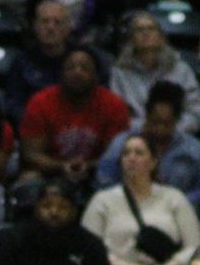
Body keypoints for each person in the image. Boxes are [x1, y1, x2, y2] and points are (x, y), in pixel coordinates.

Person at [83, 134, 200, 265]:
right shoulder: (101, 200)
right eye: (126, 153)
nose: (131, 158)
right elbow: (89, 248)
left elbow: (194, 246)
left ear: (153, 162)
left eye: (139, 153)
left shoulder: (174, 197)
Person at [18, 47, 131, 191]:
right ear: (61, 74)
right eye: (70, 67)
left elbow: (116, 155)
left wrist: (88, 165)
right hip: (50, 173)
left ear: (96, 76)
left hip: (99, 173)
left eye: (84, 68)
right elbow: (31, 154)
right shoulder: (40, 102)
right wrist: (62, 166)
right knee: (28, 181)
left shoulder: (114, 104)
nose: (77, 72)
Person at [97, 82, 200, 210]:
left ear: (177, 121)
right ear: (146, 116)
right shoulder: (122, 144)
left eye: (166, 124)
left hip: (176, 214)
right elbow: (104, 181)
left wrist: (178, 202)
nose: (160, 129)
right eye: (155, 122)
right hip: (127, 212)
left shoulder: (194, 150)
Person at [110, 12, 200, 134]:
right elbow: (118, 115)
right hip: (135, 136)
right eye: (139, 30)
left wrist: (169, 130)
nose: (145, 33)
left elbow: (195, 113)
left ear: (161, 37)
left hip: (177, 135)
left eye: (151, 28)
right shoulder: (119, 73)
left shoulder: (181, 70)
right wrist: (146, 129)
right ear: (131, 39)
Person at [5, 0, 76, 121]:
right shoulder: (21, 62)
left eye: (57, 22)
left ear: (68, 28)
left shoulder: (81, 60)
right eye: (44, 21)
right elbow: (13, 104)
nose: (50, 27)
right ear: (35, 26)